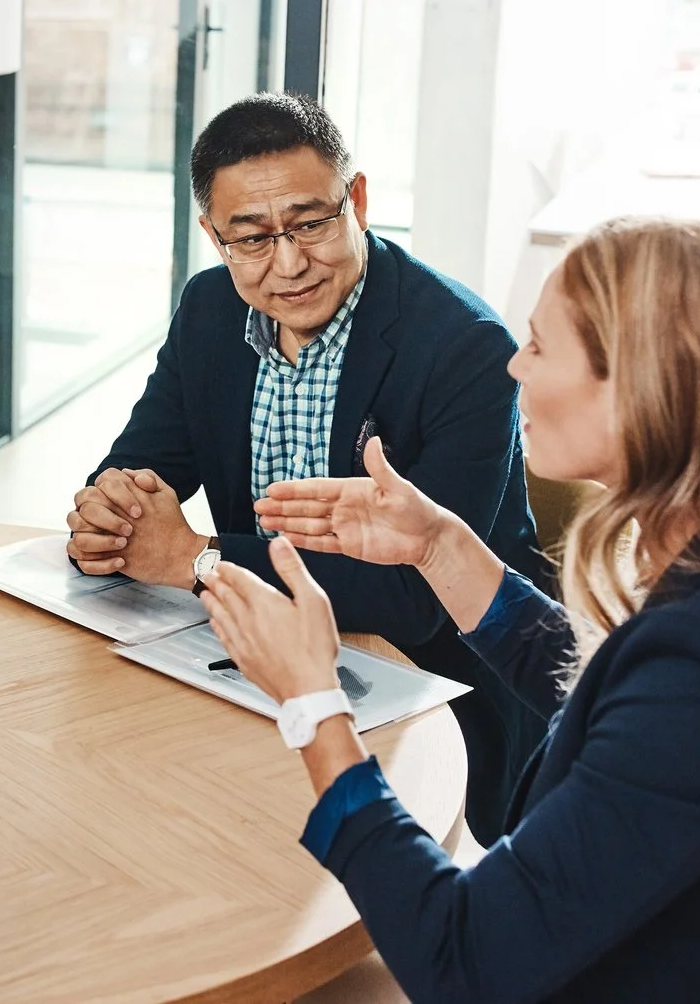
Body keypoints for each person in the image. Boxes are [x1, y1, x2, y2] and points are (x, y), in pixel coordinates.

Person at [204, 217, 700, 1002]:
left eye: (538, 345)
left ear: (639, 390)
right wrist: (440, 549)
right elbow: (623, 710)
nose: (513, 365)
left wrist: (313, 707)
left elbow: (464, 966)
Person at [67, 93, 552, 844]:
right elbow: (144, 463)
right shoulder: (209, 310)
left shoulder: (464, 347)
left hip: (427, 693)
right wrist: (112, 511)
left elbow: (417, 597)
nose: (287, 264)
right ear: (212, 234)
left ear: (355, 199)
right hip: (244, 670)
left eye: (310, 224)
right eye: (251, 238)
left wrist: (196, 560)